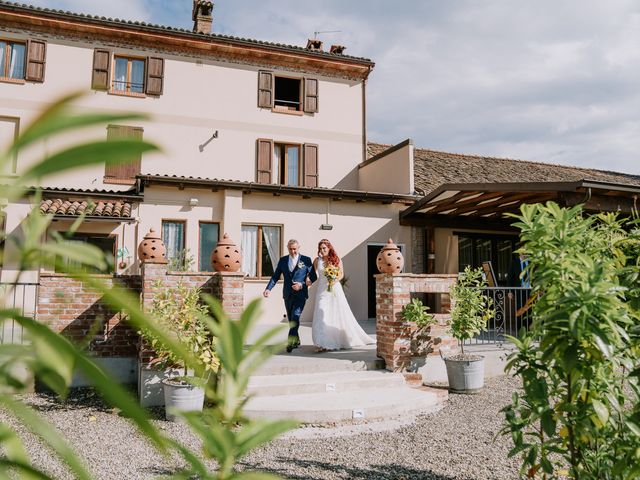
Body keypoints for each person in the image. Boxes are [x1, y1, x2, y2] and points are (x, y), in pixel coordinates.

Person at [311, 239, 374, 351]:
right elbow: (312, 275)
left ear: (329, 248)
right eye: (320, 248)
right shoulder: (317, 261)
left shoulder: (337, 260)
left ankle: (332, 341)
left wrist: (334, 279)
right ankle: (321, 342)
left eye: (324, 248)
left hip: (334, 289)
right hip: (322, 291)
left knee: (335, 314)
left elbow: (341, 274)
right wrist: (307, 281)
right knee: (321, 312)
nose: (322, 250)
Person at [263, 239, 317, 352]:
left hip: (301, 294)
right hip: (288, 294)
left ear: (298, 247)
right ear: (288, 248)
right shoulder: (283, 260)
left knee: (295, 316)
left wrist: (302, 284)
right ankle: (296, 340)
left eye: (295, 249)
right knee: (291, 319)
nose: (293, 251)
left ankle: (290, 342)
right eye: (290, 249)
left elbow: (313, 276)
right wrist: (268, 288)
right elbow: (276, 276)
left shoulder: (306, 260)